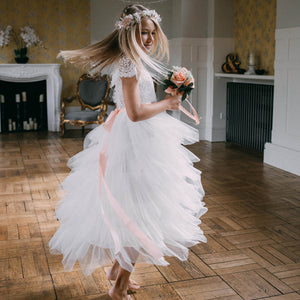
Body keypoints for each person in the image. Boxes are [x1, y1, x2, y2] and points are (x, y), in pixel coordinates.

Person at [49, 4, 207, 300]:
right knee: (143, 210)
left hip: (140, 138)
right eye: (142, 32)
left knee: (138, 206)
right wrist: (169, 105)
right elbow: (134, 113)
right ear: (128, 32)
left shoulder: (135, 60)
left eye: (151, 33)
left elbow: (136, 106)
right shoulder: (129, 64)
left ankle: (117, 271)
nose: (148, 38)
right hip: (134, 140)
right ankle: (119, 287)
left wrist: (168, 96)